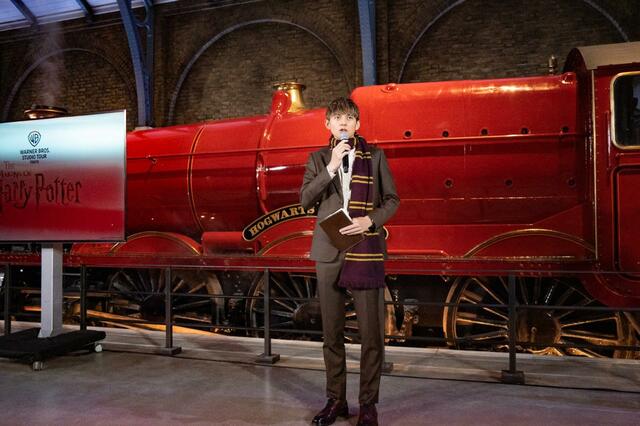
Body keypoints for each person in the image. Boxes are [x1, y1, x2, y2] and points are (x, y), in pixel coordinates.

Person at [300, 97, 400, 426]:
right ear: (327, 124)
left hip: (364, 248)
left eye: (348, 118)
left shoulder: (376, 157)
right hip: (328, 252)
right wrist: (331, 166)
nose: (343, 123)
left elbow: (392, 200)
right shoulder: (318, 159)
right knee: (332, 333)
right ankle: (336, 400)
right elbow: (305, 200)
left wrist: (370, 220)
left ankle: (368, 404)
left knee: (371, 335)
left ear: (357, 124)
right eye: (337, 118)